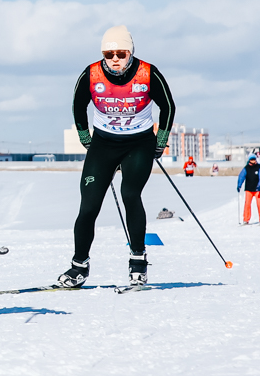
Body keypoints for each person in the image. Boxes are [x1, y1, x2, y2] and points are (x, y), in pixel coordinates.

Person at [59, 26, 175, 287]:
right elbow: (79, 104)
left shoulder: (147, 72)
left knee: (130, 195)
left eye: (120, 53)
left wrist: (161, 140)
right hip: (104, 144)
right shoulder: (91, 74)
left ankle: (138, 261)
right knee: (88, 206)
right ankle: (79, 267)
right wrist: (83, 135)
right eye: (108, 53)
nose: (114, 59)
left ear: (130, 53)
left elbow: (167, 106)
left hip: (138, 143)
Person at [238, 153, 260, 224]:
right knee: (247, 204)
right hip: (248, 189)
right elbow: (241, 177)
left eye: (254, 159)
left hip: (257, 189)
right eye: (251, 159)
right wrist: (239, 185)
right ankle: (246, 219)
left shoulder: (259, 167)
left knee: (259, 204)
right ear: (249, 160)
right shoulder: (246, 168)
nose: (253, 160)